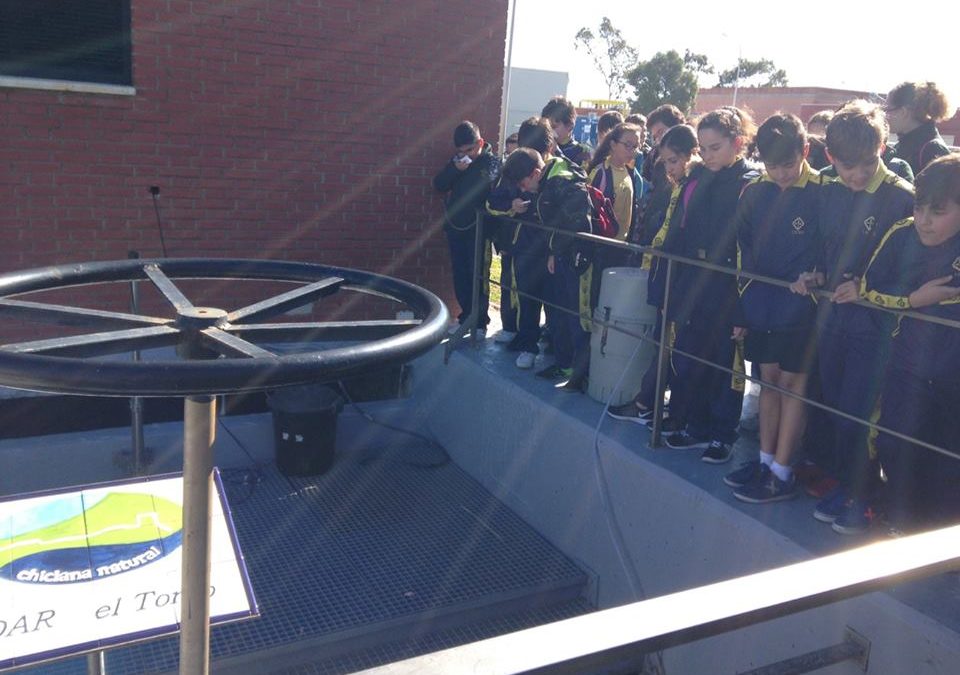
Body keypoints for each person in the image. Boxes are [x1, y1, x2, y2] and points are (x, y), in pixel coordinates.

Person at [788, 100, 914, 530]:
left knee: (864, 412)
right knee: (838, 405)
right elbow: (826, 246)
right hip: (831, 318)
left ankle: (866, 495)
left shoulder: (902, 197)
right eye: (847, 167)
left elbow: (912, 272)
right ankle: (847, 482)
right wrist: (815, 273)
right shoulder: (828, 189)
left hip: (876, 326)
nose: (857, 176)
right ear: (829, 158)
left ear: (882, 146)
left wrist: (867, 289)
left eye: (866, 164)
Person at [723, 114, 823, 501]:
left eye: (788, 164)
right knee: (767, 381)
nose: (781, 174)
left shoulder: (822, 191)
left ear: (806, 152)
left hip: (802, 306)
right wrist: (742, 307)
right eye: (773, 165)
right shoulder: (753, 192)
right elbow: (741, 251)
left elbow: (834, 248)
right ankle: (764, 461)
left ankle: (783, 470)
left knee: (792, 384)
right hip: (761, 303)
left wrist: (819, 276)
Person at [863, 154, 960, 531]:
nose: (924, 220)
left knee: (948, 458)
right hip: (907, 366)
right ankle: (901, 523)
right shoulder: (902, 233)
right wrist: (913, 299)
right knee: (896, 444)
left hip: (953, 375)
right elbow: (869, 287)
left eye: (938, 212)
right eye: (920, 208)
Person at [660, 108, 759, 463]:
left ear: (738, 143)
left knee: (726, 365)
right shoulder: (697, 178)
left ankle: (722, 433)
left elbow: (752, 247)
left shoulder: (750, 183)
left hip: (730, 287)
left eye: (714, 147)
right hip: (695, 281)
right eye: (702, 148)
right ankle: (695, 423)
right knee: (691, 357)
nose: (707, 155)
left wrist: (743, 306)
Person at [607, 124, 700, 425]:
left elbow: (680, 237)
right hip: (665, 275)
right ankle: (651, 402)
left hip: (679, 280)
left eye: (674, 161)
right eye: (666, 162)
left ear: (691, 154)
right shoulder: (680, 185)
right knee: (662, 342)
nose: (669, 169)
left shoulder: (693, 186)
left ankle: (650, 403)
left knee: (668, 345)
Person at [501, 144, 592, 381]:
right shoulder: (553, 177)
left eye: (523, 184)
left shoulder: (560, 181)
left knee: (567, 311)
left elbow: (572, 221)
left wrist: (554, 250)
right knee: (560, 311)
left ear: (535, 174)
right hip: (562, 254)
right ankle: (566, 364)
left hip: (572, 257)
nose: (523, 190)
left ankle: (572, 369)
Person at [487, 118, 557, 367]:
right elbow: (493, 201)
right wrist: (512, 206)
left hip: (551, 248)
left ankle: (551, 343)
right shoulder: (516, 168)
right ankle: (525, 341)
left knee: (552, 300)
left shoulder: (558, 171)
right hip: (522, 247)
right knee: (524, 296)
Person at [432, 120, 499, 335]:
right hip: (456, 228)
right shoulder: (459, 162)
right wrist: (455, 168)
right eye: (461, 151)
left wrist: (465, 169)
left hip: (479, 230)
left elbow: (482, 189)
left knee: (478, 276)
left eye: (470, 150)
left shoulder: (491, 162)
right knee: (460, 274)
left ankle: (479, 321)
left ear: (480, 142)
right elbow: (439, 184)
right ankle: (465, 316)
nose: (466, 155)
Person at [885, 81, 953, 176]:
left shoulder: (933, 150)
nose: (885, 115)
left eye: (887, 110)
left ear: (903, 112)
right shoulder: (901, 145)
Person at [541, 96, 592, 169]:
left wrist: (557, 153)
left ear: (569, 126)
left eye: (553, 127)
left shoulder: (581, 151)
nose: (549, 130)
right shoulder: (542, 144)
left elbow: (580, 175)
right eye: (546, 126)